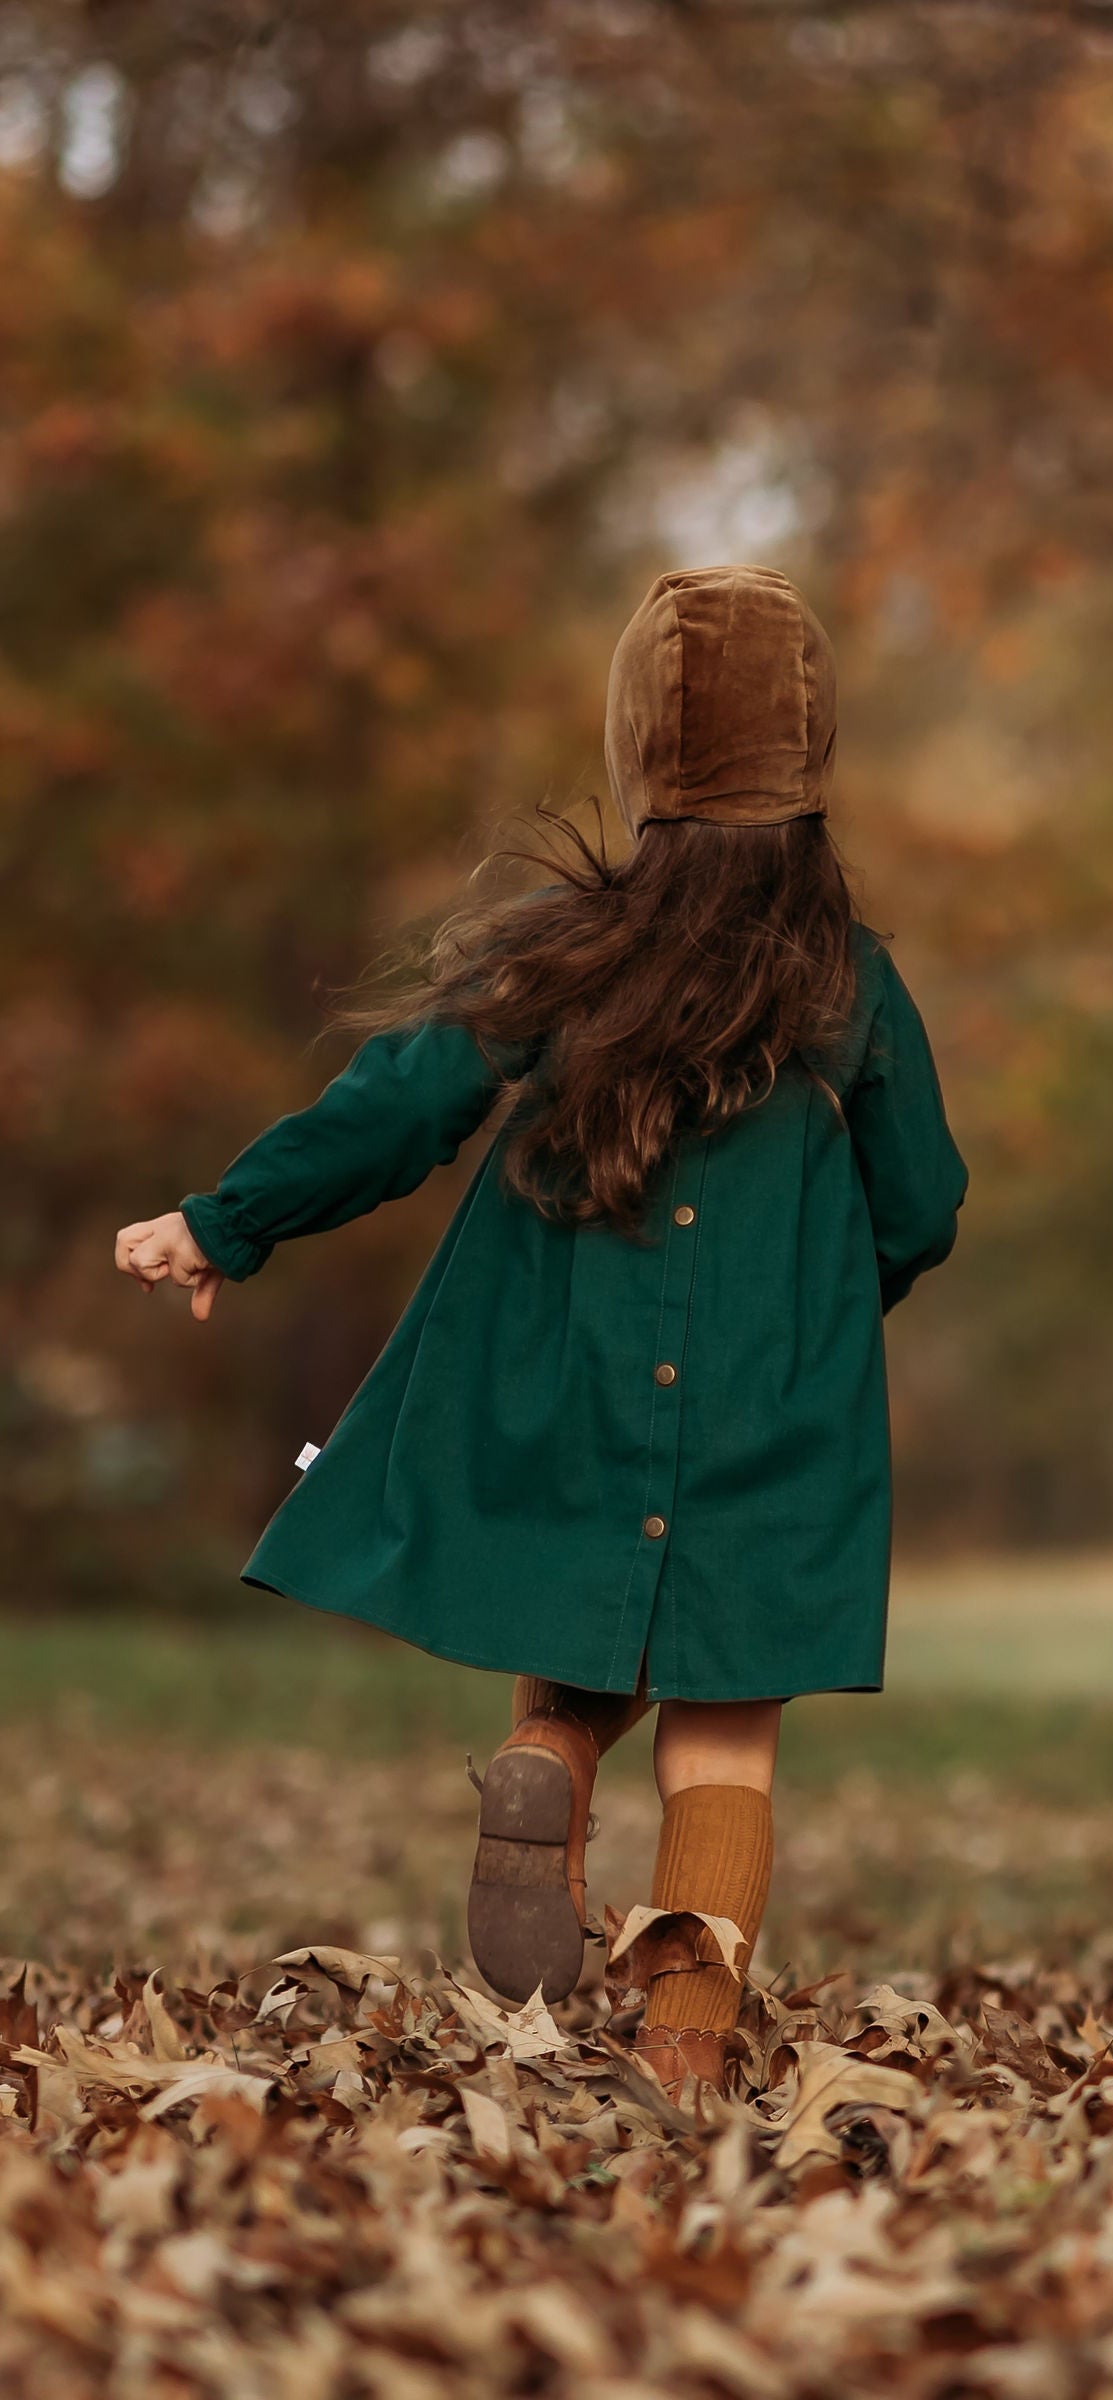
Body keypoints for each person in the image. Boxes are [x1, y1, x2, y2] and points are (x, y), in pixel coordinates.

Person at [111, 565, 967, 2094]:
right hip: (773, 1397)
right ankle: (685, 2052)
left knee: (584, 1617)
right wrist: (838, 1299)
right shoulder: (851, 981)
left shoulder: (564, 950)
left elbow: (403, 1106)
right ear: (814, 763)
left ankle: (555, 1760)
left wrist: (226, 1216)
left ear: (640, 755)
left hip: (564, 1370)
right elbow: (924, 1202)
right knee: (725, 1732)